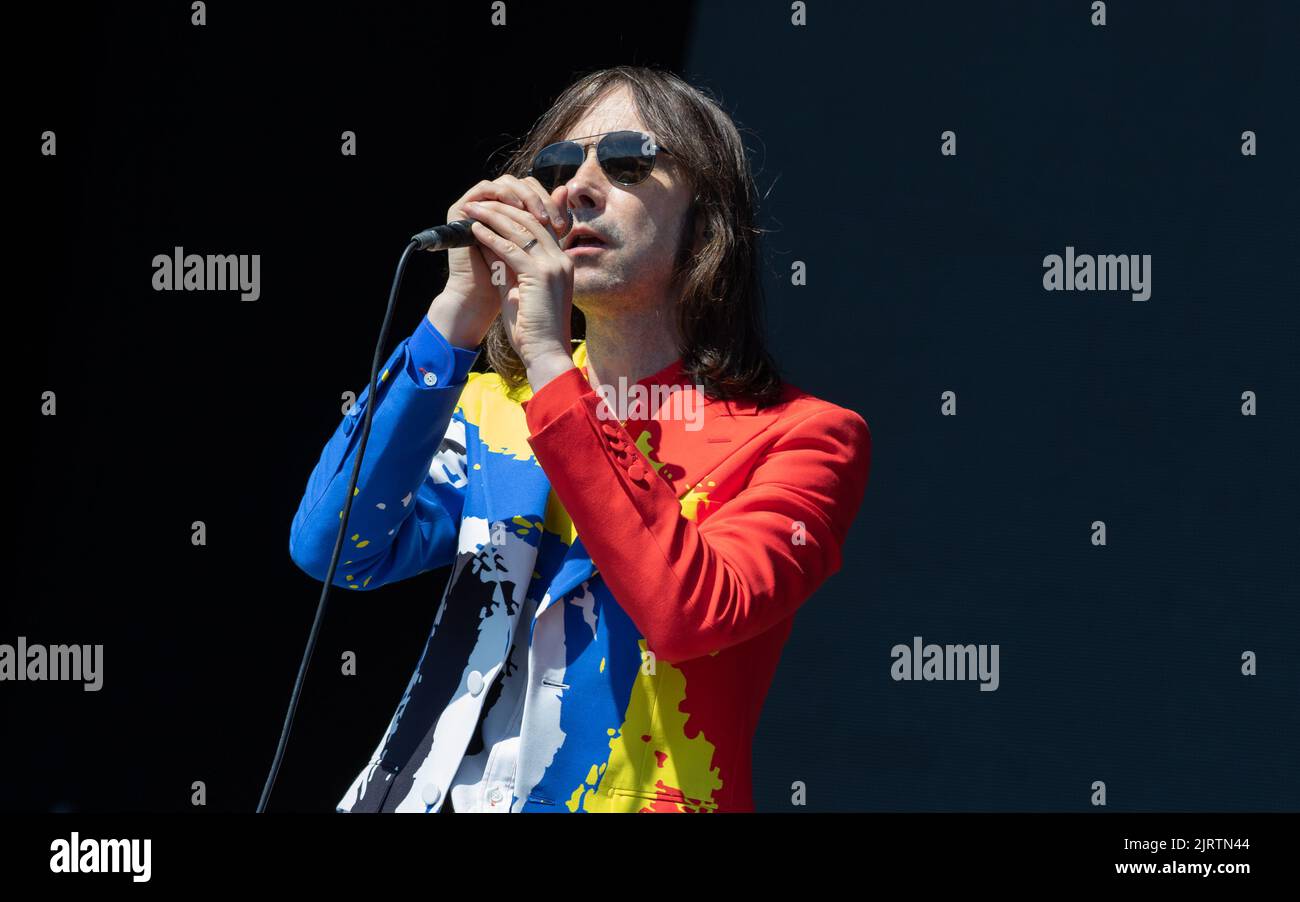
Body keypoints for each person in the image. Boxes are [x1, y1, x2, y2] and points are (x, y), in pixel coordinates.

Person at [289, 65, 872, 813]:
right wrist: (455, 320)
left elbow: (688, 614)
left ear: (707, 216)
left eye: (627, 162)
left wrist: (546, 358)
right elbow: (336, 550)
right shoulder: (493, 407)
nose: (578, 189)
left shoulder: (805, 439)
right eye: (558, 166)